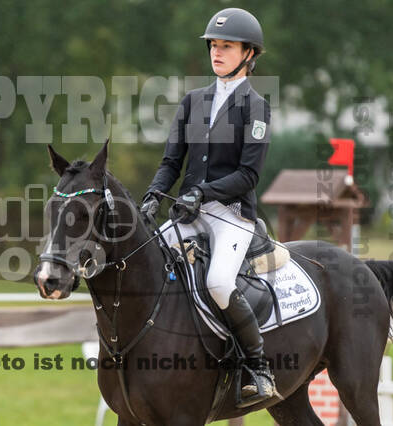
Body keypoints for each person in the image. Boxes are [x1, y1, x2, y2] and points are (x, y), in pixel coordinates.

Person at [140, 8, 275, 408]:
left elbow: (248, 175)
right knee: (150, 265)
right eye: (214, 45)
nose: (217, 52)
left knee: (217, 282)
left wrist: (203, 192)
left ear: (249, 54)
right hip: (187, 213)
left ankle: (257, 366)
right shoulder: (192, 101)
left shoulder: (256, 108)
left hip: (231, 215)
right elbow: (171, 163)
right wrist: (153, 194)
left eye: (226, 46)